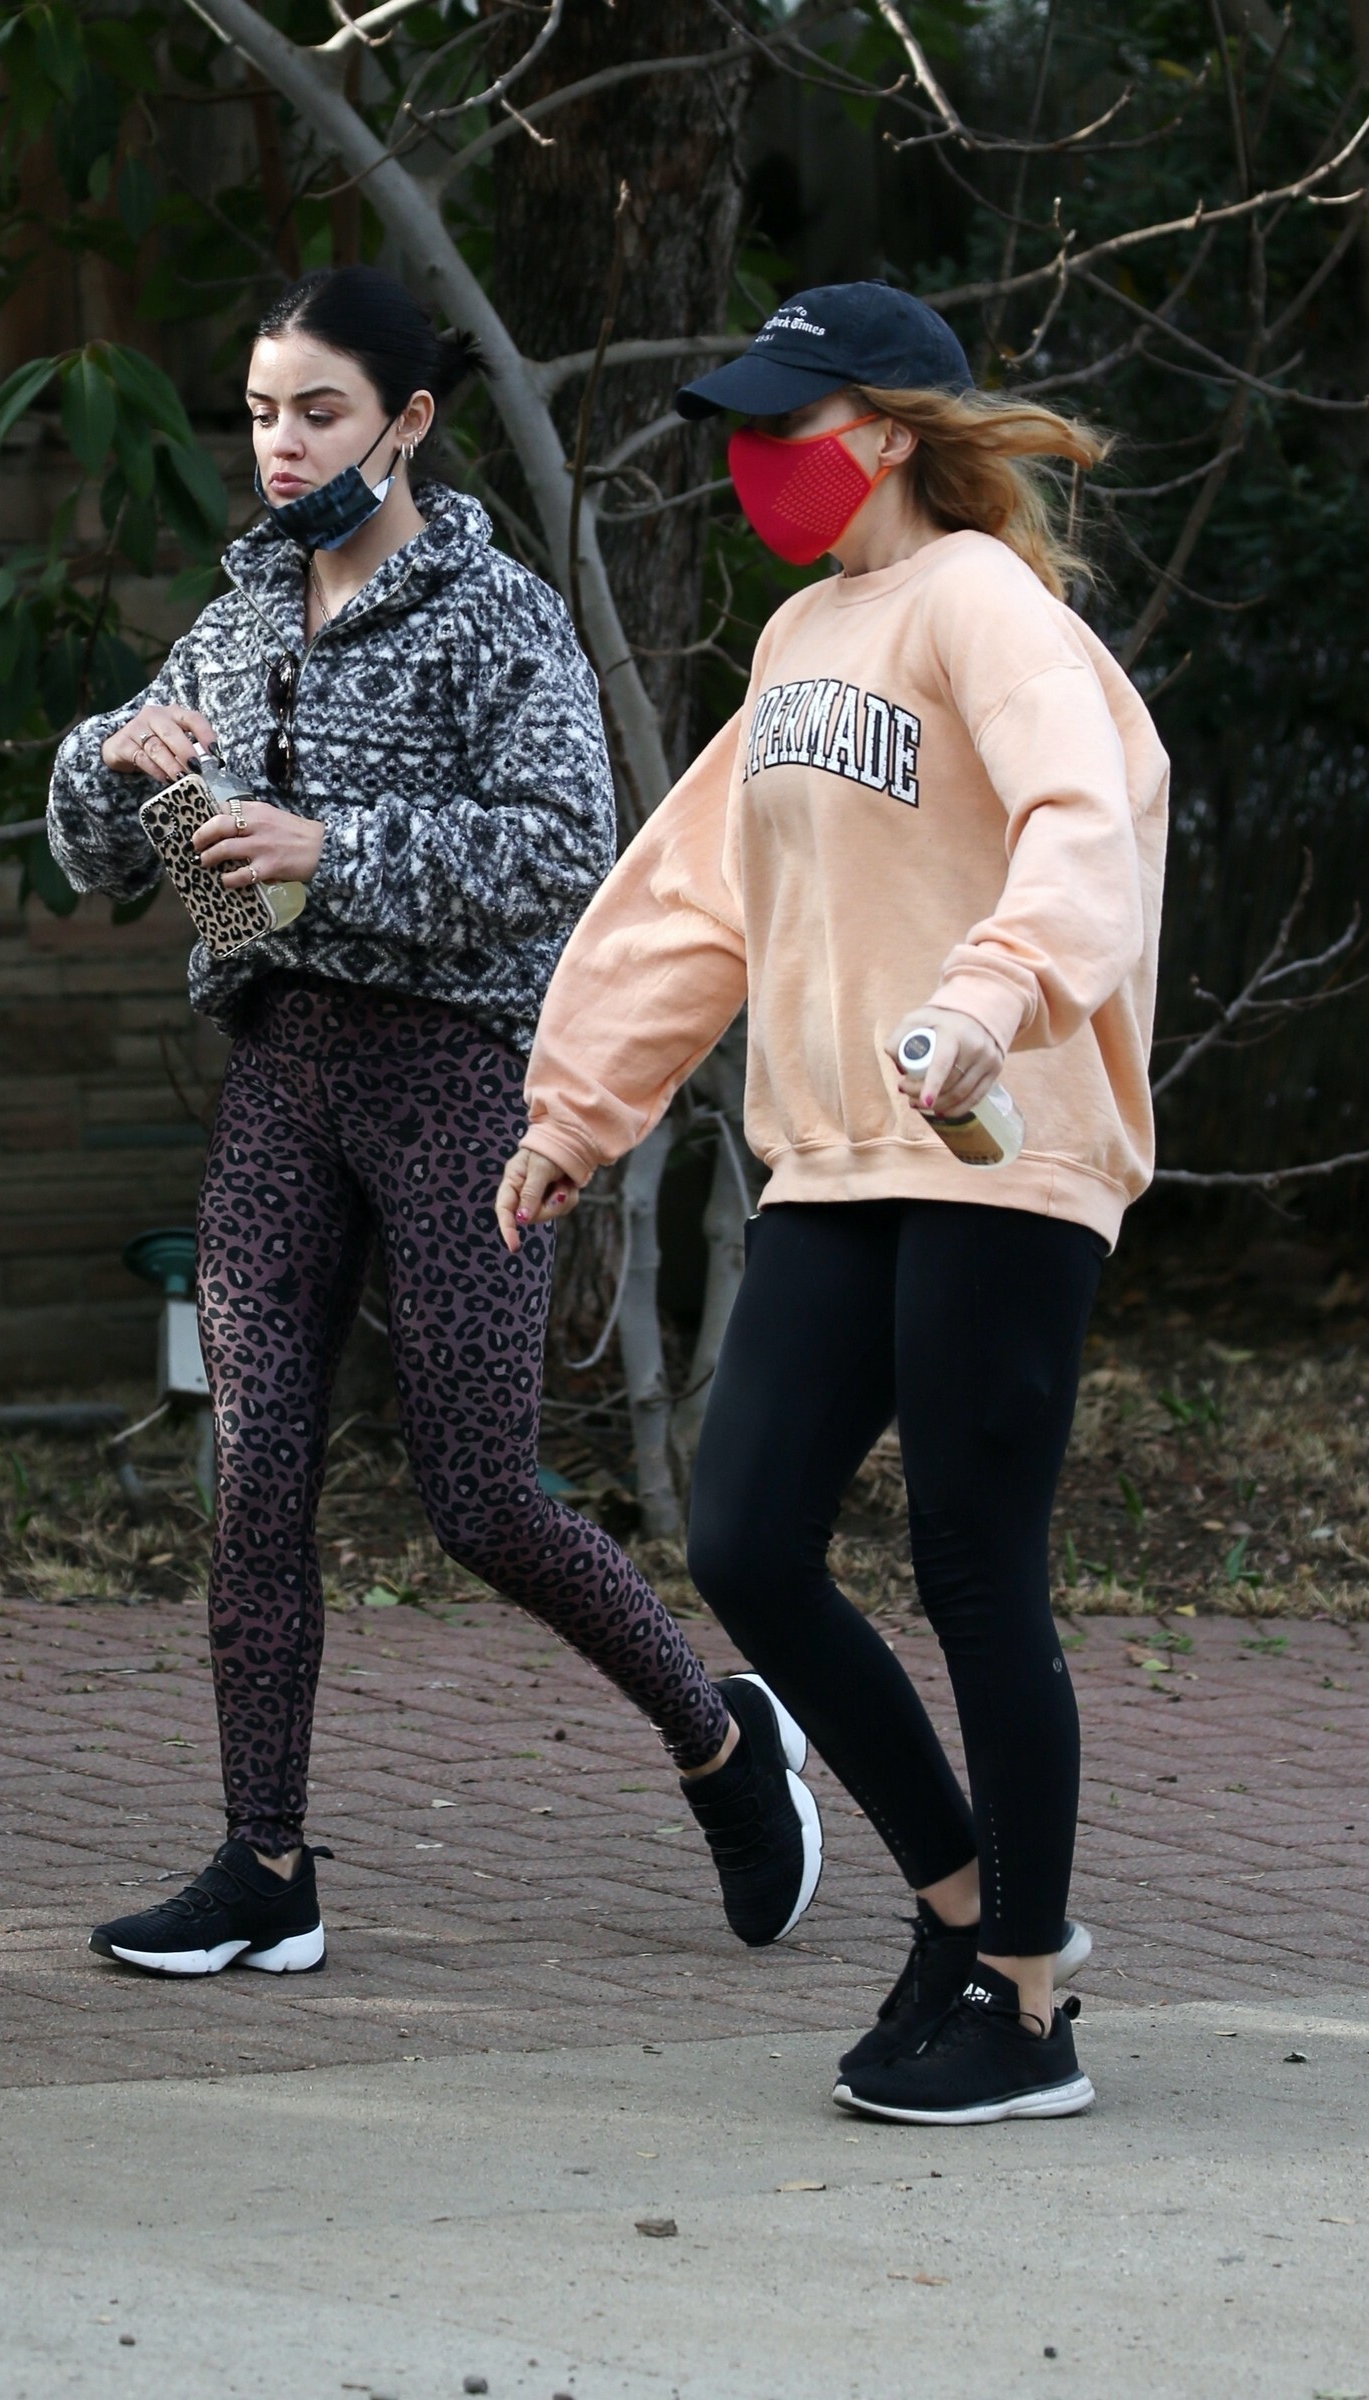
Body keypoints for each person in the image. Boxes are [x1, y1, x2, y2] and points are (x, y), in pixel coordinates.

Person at [47, 265, 822, 1978]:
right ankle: (265, 1865)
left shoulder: (497, 613)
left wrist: (331, 852)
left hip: (462, 1081)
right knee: (256, 1476)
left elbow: (563, 849)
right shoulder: (242, 614)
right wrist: (111, 756)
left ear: (404, 422)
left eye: (317, 411)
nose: (280, 443)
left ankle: (723, 1742)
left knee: (479, 1498)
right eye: (262, 411)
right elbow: (94, 855)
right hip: (281, 1075)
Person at [497, 281, 1169, 2124]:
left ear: (882, 430)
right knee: (744, 1538)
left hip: (1001, 1147)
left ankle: (1026, 2011)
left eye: (782, 423)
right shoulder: (801, 634)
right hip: (836, 1150)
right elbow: (695, 898)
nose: (752, 458)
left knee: (974, 1565)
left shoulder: (981, 602)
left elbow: (1086, 817)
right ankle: (962, 1907)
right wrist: (579, 1111)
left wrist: (990, 997)